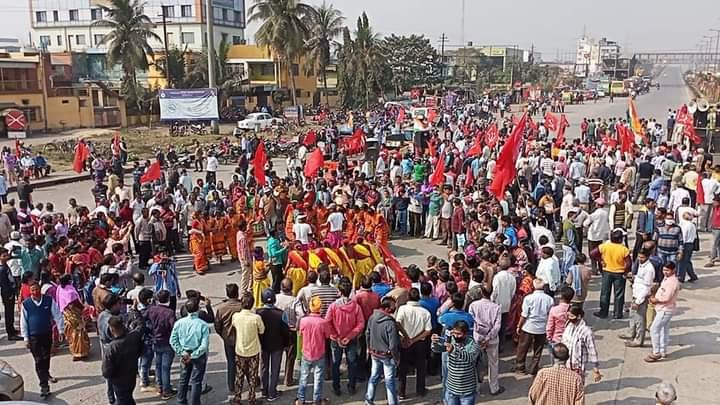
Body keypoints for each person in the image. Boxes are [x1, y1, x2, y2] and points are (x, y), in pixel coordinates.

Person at [20, 282, 63, 398]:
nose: (35, 292)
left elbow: (57, 315)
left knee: (46, 357)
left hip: (46, 334)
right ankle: (44, 386)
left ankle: (46, 373)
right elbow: (23, 322)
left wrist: (61, 330)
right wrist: (26, 338)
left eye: (37, 289)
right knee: (38, 360)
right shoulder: (26, 304)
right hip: (34, 337)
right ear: (30, 291)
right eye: (32, 290)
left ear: (40, 290)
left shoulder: (49, 301)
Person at [325, 278, 364, 396]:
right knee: (352, 363)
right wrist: (350, 336)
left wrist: (336, 337)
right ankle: (351, 386)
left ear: (340, 292)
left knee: (336, 363)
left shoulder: (333, 306)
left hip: (336, 339)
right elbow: (361, 323)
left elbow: (327, 322)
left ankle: (336, 387)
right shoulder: (356, 307)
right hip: (350, 339)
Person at [171, 298, 210, 405]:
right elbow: (204, 345)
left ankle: (181, 401)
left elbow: (173, 341)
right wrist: (193, 355)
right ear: (197, 309)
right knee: (196, 382)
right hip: (197, 356)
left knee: (183, 379)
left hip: (184, 355)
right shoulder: (203, 325)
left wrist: (183, 353)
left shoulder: (179, 323)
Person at [431, 320, 481, 405]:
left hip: (467, 391)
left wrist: (454, 350)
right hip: (451, 389)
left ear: (465, 334)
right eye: (454, 333)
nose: (455, 336)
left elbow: (469, 358)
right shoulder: (451, 340)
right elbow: (438, 349)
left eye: (459, 334)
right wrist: (435, 342)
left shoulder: (473, 345)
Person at [395, 287, 431, 399]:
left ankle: (401, 392)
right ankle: (420, 390)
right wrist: (414, 339)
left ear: (408, 297)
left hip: (405, 341)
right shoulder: (425, 312)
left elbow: (398, 323)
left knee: (403, 368)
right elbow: (428, 330)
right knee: (420, 367)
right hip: (419, 343)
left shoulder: (403, 309)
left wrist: (407, 337)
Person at [468, 284, 504, 396]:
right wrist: (488, 338)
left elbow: (471, 321)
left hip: (477, 338)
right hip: (492, 340)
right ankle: (494, 387)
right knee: (493, 363)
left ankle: (475, 387)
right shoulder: (496, 307)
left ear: (481, 292)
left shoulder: (473, 305)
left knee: (475, 363)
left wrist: (480, 334)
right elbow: (497, 327)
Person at [296, 296, 333, 405]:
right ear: (320, 308)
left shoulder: (304, 321)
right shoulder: (323, 322)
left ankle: (300, 399)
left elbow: (300, 333)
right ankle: (317, 400)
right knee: (318, 378)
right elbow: (327, 335)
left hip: (306, 352)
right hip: (319, 353)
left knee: (303, 377)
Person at [365, 296, 400, 405]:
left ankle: (369, 399)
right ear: (387, 308)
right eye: (393, 306)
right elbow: (393, 345)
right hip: (387, 357)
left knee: (374, 376)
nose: (395, 308)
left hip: (374, 354)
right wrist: (396, 358)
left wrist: (368, 348)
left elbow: (367, 333)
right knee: (390, 381)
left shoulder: (372, 317)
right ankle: (392, 402)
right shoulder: (390, 323)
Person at [102, 315, 144, 405]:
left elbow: (106, 372)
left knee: (123, 400)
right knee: (127, 398)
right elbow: (140, 325)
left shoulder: (111, 348)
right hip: (131, 376)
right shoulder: (134, 337)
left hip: (118, 381)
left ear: (112, 330)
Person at [515, 278, 554, 375]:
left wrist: (519, 326)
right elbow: (550, 314)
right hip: (542, 328)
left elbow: (524, 315)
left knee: (523, 347)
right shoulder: (549, 299)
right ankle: (533, 368)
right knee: (538, 349)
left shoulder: (528, 298)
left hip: (529, 326)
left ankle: (520, 367)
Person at [231, 292, 265, 405]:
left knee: (239, 376)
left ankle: (237, 398)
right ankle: (252, 398)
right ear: (252, 304)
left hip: (240, 350)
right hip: (253, 351)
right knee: (253, 376)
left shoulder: (236, 316)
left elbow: (234, 326)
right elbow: (262, 330)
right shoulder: (256, 318)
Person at [257, 288, 289, 402]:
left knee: (264, 367)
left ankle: (264, 391)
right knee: (275, 369)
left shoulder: (258, 313)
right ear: (274, 300)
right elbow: (286, 331)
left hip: (264, 345)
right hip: (277, 346)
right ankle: (272, 393)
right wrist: (286, 344)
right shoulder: (281, 314)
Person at [646, 262, 681, 363]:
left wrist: (655, 300)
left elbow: (666, 297)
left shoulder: (672, 282)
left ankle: (656, 352)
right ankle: (663, 351)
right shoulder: (668, 279)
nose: (665, 272)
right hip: (664, 308)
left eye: (667, 270)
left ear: (673, 270)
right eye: (664, 270)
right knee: (663, 330)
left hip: (665, 309)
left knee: (654, 329)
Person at [213, 283, 244, 395]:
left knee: (231, 362)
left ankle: (231, 386)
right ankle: (248, 383)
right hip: (241, 338)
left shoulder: (221, 308)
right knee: (243, 362)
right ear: (237, 293)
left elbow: (217, 325)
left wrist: (223, 335)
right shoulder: (241, 306)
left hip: (228, 339)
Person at [146, 290, 177, 400]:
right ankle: (166, 390)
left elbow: (146, 321)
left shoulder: (151, 310)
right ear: (168, 299)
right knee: (165, 367)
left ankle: (160, 386)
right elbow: (173, 327)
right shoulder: (169, 313)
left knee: (158, 365)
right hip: (166, 342)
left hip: (155, 341)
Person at [592, 229, 630, 319]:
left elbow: (592, 253)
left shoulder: (604, 246)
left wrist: (600, 260)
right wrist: (626, 271)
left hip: (607, 272)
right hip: (620, 273)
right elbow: (628, 263)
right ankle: (617, 313)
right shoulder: (624, 249)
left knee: (605, 293)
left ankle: (603, 312)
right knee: (619, 294)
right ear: (620, 239)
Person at [622, 248, 655, 347]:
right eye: (639, 256)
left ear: (648, 257)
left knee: (640, 319)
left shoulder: (649, 269)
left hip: (641, 297)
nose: (640, 259)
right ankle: (631, 333)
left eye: (642, 257)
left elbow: (647, 287)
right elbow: (640, 279)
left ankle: (639, 340)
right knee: (632, 316)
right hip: (635, 293)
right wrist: (633, 278)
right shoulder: (641, 265)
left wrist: (638, 301)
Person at [561, 305, 602, 382]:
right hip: (566, 363)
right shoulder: (568, 325)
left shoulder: (586, 332)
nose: (569, 318)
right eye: (568, 315)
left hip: (578, 366)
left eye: (572, 316)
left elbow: (592, 350)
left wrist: (595, 369)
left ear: (579, 316)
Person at [55, 274, 90, 360]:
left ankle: (74, 350)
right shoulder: (70, 291)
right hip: (74, 314)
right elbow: (75, 303)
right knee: (79, 333)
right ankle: (80, 352)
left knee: (71, 333)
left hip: (66, 313)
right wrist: (84, 308)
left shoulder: (60, 288)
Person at [0, 247, 22, 340]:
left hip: (10, 292)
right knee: (8, 313)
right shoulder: (1, 269)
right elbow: (4, 284)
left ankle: (12, 329)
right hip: (7, 293)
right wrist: (10, 294)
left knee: (11, 312)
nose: (6, 257)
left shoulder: (5, 265)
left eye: (7, 255)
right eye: (4, 256)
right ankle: (10, 333)